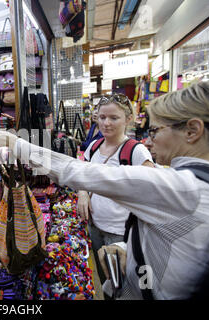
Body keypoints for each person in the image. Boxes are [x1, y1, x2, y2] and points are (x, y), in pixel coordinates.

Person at [0, 80, 209, 299]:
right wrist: (127, 249)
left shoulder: (185, 189)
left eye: (155, 131)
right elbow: (175, 246)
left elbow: (82, 172)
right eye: (101, 117)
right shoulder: (207, 185)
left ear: (192, 131)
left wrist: (16, 144)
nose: (150, 142)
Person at [77, 94, 154, 271]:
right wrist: (82, 192)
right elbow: (81, 173)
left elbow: (151, 191)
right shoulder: (94, 147)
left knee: (121, 281)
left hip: (120, 231)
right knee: (105, 279)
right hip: (94, 225)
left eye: (114, 118)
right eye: (102, 117)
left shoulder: (136, 151)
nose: (106, 123)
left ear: (128, 119)